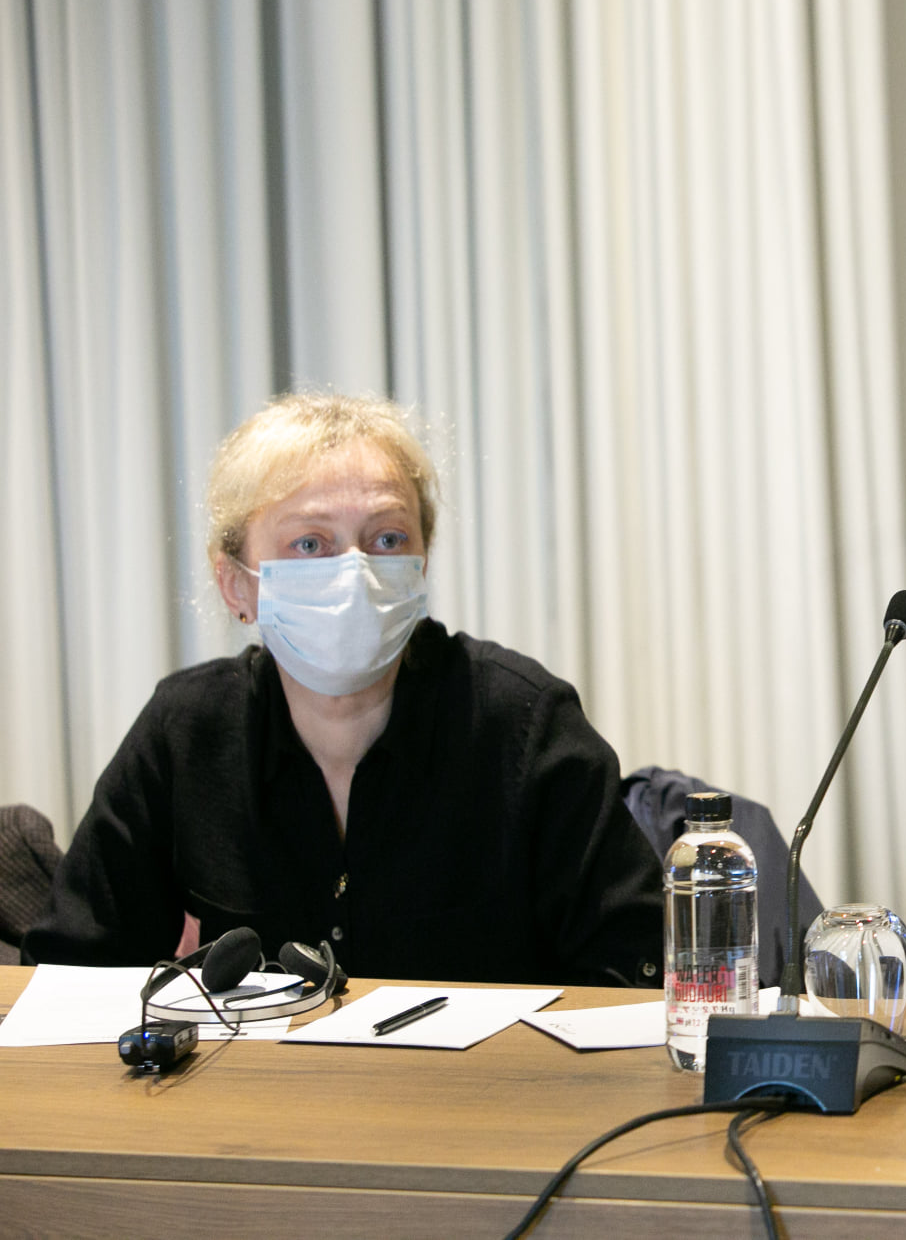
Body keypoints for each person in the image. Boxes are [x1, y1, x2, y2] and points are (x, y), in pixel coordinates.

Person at [26, 394, 669, 986]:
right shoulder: (186, 732)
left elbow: (639, 980)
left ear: (421, 563)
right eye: (310, 543)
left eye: (388, 539)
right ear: (236, 584)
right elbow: (69, 976)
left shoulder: (524, 723)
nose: (356, 572)